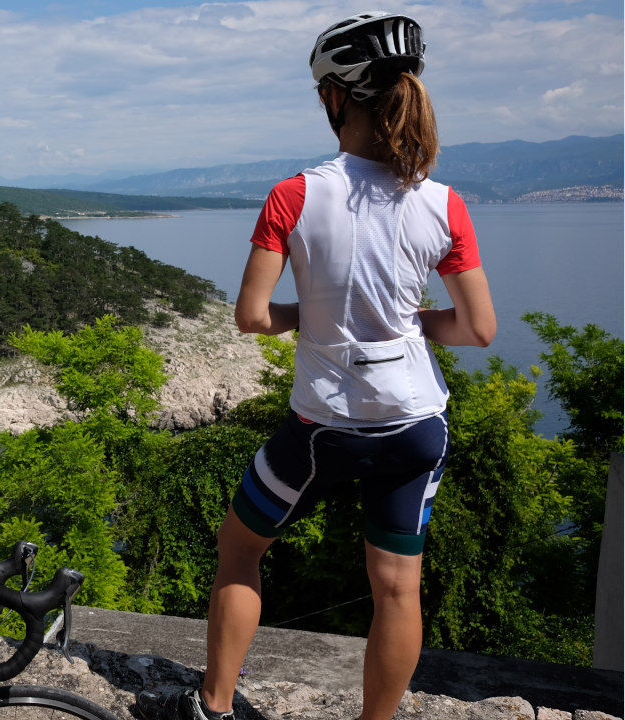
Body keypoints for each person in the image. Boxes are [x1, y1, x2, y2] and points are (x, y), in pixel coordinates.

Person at [139, 11, 496, 720]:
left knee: (240, 549)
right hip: (415, 424)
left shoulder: (295, 194)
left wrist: (316, 318)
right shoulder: (442, 202)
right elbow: (478, 329)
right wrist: (407, 325)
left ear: (336, 97)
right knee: (398, 588)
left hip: (324, 426)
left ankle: (212, 707)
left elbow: (251, 315)